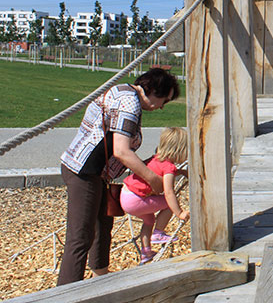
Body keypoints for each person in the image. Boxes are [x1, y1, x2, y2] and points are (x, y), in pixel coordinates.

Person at [57, 68, 180, 285]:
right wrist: (152, 179)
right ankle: (65, 294)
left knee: (103, 227)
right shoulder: (129, 102)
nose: (162, 106)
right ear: (153, 90)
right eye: (164, 100)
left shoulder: (123, 93)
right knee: (81, 236)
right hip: (83, 172)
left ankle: (100, 280)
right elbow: (122, 151)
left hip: (96, 174)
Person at [121, 126, 190, 264]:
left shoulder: (156, 159)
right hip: (135, 200)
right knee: (169, 204)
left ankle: (146, 251)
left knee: (149, 220)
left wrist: (181, 172)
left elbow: (158, 171)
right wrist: (179, 213)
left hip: (126, 196)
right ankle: (158, 233)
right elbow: (169, 192)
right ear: (179, 151)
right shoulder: (169, 167)